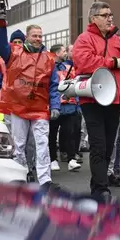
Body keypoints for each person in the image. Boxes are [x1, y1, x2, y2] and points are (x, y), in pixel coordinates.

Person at [72, 1, 120, 199]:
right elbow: (84, 63)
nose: (110, 17)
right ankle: (101, 188)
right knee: (98, 145)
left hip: (115, 98)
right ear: (93, 18)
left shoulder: (119, 40)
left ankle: (98, 185)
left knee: (109, 146)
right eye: (105, 15)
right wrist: (113, 62)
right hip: (93, 99)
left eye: (111, 14)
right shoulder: (84, 39)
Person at [0, 19, 60, 190]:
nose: (38, 38)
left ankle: (45, 181)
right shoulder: (14, 54)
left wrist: (55, 106)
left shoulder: (49, 59)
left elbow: (53, 85)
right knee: (19, 144)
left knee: (42, 143)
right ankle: (20, 177)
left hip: (39, 109)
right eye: (34, 36)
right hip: (18, 107)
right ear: (27, 37)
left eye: (40, 36)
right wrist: (1, 25)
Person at [49, 44, 82, 172]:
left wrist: (76, 102)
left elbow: (75, 84)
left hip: (69, 105)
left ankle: (71, 159)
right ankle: (52, 159)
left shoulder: (69, 67)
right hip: (53, 105)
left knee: (70, 133)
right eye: (63, 51)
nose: (65, 54)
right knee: (52, 134)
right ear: (57, 53)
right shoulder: (48, 67)